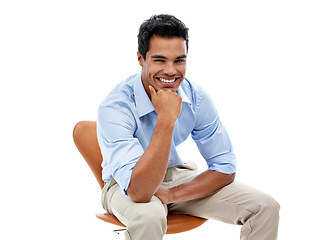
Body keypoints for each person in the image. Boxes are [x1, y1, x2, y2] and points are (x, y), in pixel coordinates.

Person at [97, 14, 280, 240]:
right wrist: (165, 119)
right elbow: (139, 191)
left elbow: (224, 165)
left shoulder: (197, 97)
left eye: (179, 60)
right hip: (125, 183)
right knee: (149, 216)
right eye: (160, 60)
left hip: (175, 176)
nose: (171, 71)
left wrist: (173, 194)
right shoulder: (115, 107)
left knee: (264, 207)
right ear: (141, 59)